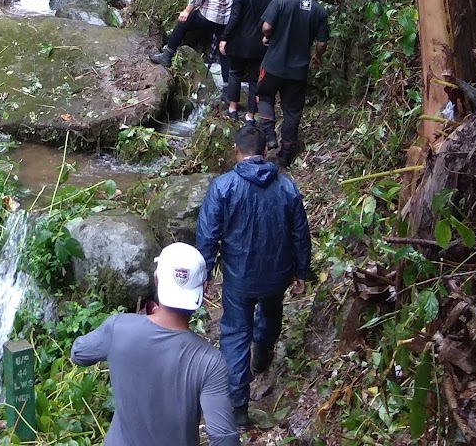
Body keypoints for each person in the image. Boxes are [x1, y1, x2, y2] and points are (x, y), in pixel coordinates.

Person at [194, 123, 313, 427]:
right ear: (264, 152)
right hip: (277, 275)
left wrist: (205, 271)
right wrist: (301, 271)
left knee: (234, 334)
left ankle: (238, 408)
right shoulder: (285, 186)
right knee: (271, 314)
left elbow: (208, 233)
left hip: (238, 277)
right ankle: (262, 355)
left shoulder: (223, 187)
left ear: (237, 152)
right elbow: (300, 233)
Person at [69, 242, 240, 446]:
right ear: (204, 289)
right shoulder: (209, 361)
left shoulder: (118, 328)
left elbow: (78, 353)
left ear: (157, 279)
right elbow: (223, 437)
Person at [256, 0, 329, 166]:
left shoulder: (281, 0)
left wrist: (267, 36)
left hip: (273, 64)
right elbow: (322, 42)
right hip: (298, 71)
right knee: (292, 110)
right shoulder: (319, 10)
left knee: (265, 96)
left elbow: (267, 26)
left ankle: (270, 137)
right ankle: (286, 153)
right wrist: (317, 57)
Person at [216, 0, 280, 123]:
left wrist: (224, 38)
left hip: (240, 42)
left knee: (235, 73)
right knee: (254, 79)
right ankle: (250, 116)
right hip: (262, 43)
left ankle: (232, 109)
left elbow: (234, 18)